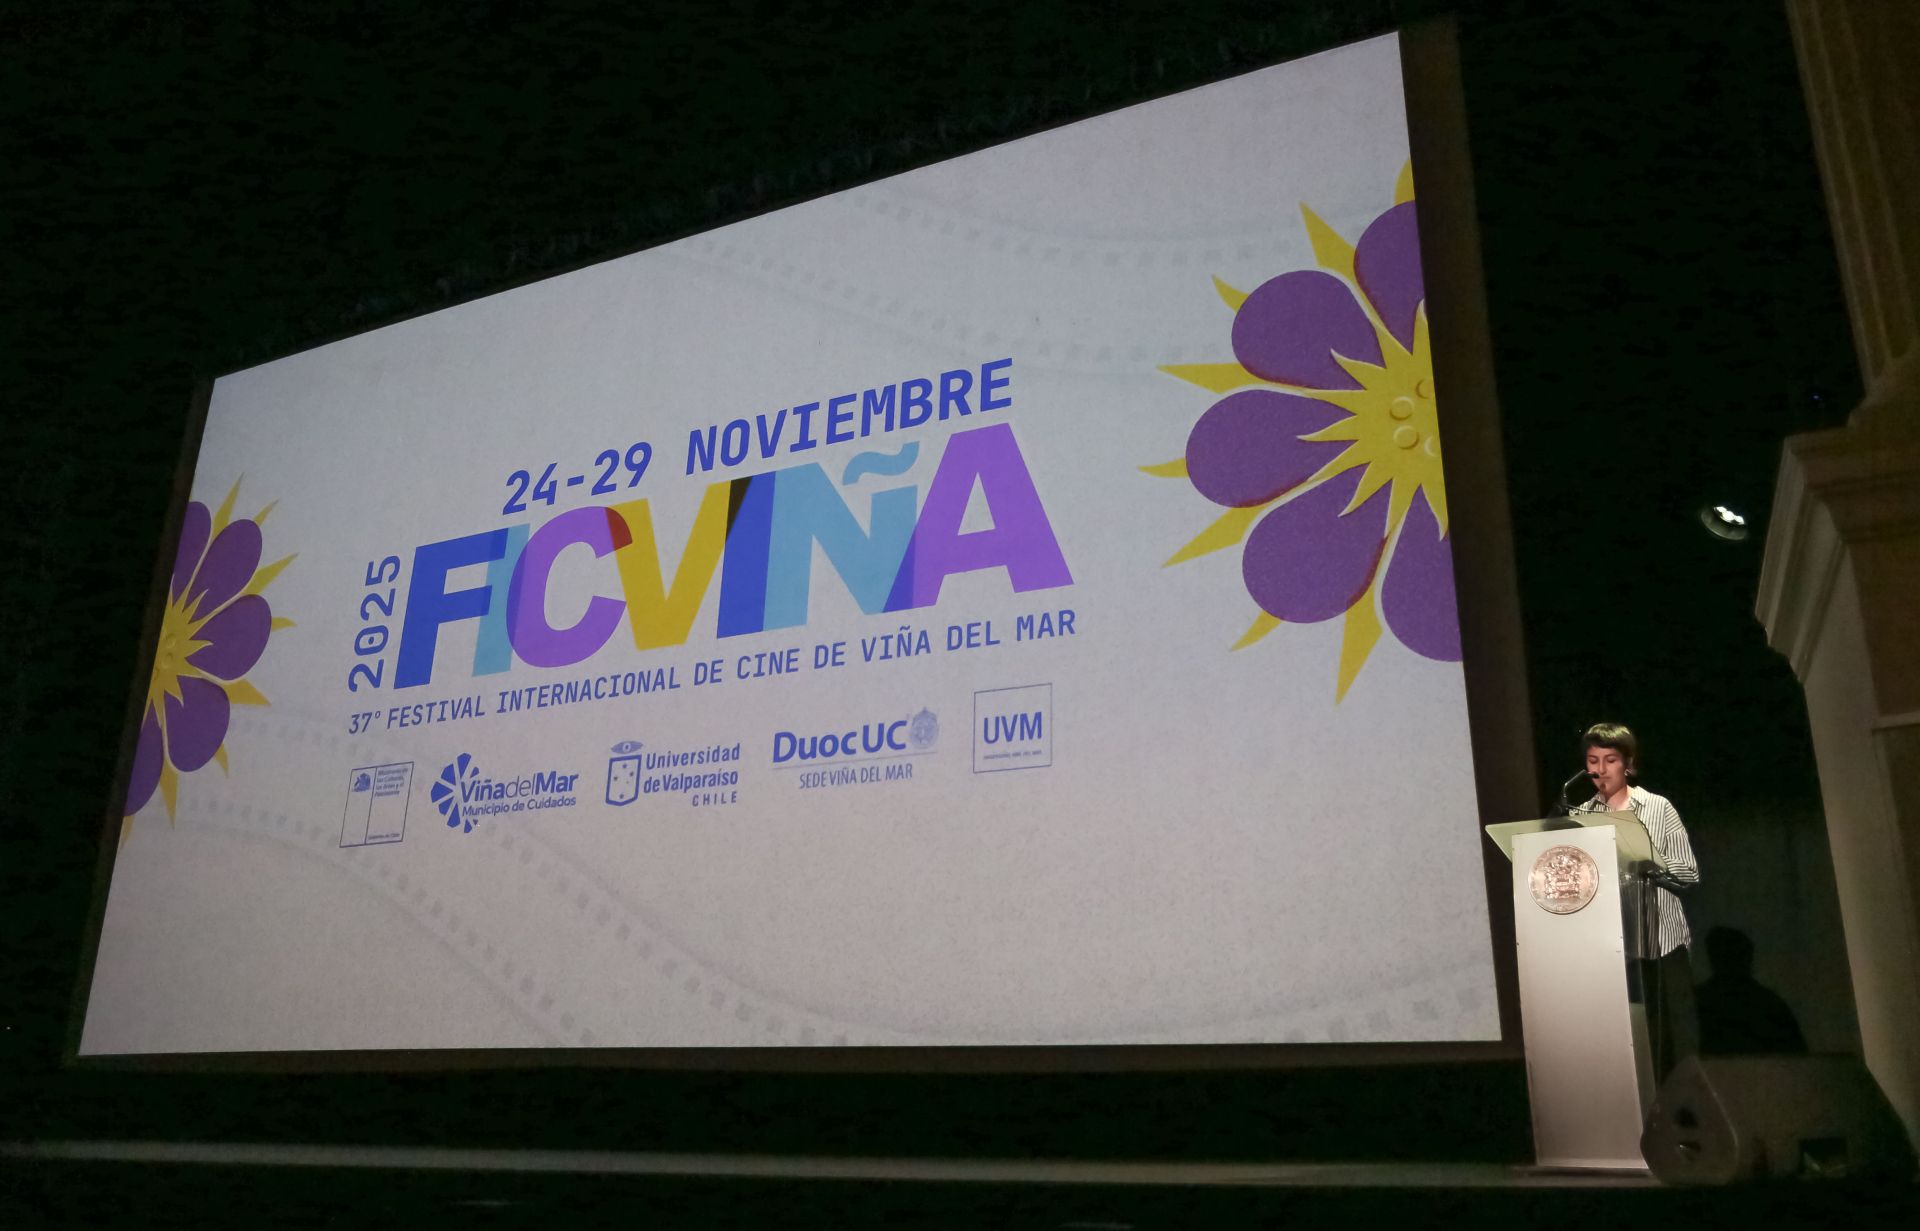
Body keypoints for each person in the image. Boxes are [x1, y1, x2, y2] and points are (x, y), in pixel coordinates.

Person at [1570, 721, 1700, 1080]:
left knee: (1674, 1045)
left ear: (1628, 764)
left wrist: (1650, 861)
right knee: (1627, 1051)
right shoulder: (1579, 816)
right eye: (1592, 761)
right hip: (1611, 948)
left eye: (1610, 760)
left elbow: (1690, 873)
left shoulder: (1658, 807)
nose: (1600, 770)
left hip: (1662, 942)